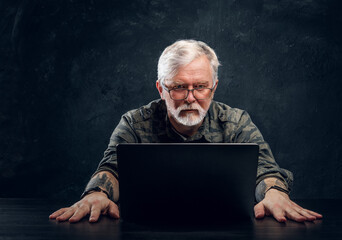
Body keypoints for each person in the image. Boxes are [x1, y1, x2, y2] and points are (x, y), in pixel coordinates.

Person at [49, 39, 322, 223]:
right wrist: (98, 193)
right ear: (161, 88)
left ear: (214, 88)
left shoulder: (236, 121)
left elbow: (266, 170)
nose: (190, 98)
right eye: (179, 87)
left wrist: (275, 193)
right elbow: (111, 167)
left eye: (200, 87)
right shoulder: (135, 122)